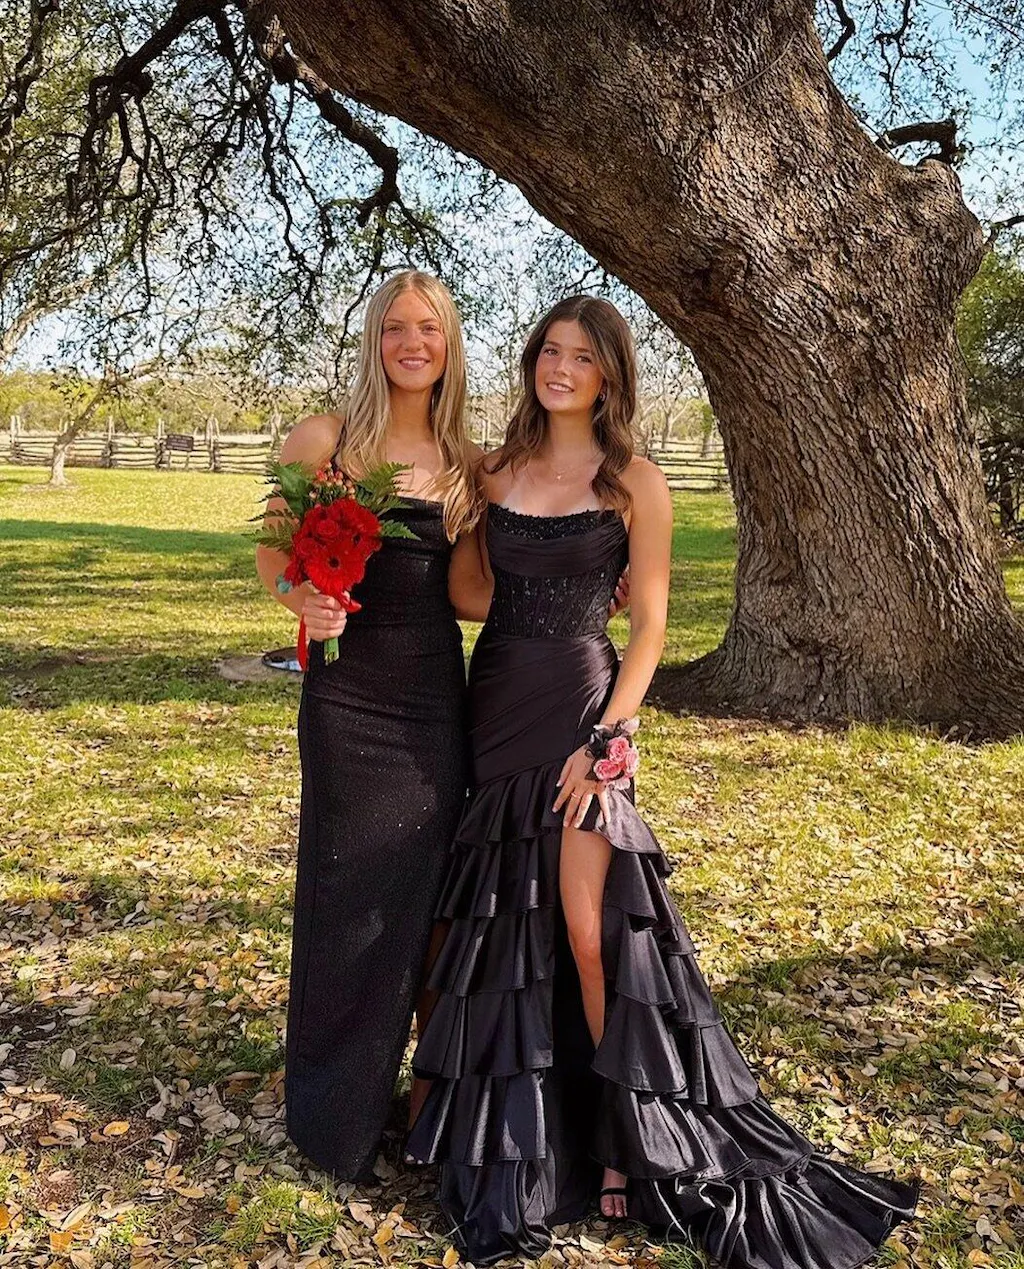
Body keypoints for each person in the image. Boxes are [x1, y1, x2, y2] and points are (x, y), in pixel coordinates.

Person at [406, 295, 920, 1267]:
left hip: (581, 710)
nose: (560, 368)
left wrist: (607, 738)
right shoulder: (496, 469)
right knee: (513, 924)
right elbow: (471, 594)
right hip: (497, 704)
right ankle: (529, 1141)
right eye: (549, 351)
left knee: (591, 933)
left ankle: (633, 1143)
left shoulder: (635, 481)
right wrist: (478, 542)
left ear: (608, 373)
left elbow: (648, 629)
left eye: (580, 356)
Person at [255, 270, 481, 1180]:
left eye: (428, 328)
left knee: (428, 896)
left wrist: (588, 589)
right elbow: (272, 554)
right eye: (395, 327)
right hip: (346, 698)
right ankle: (335, 1111)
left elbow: (470, 594)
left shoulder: (469, 461)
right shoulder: (322, 440)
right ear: (373, 339)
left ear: (449, 343)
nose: (411, 343)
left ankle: (431, 1103)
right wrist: (300, 599)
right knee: (345, 891)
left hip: (433, 700)